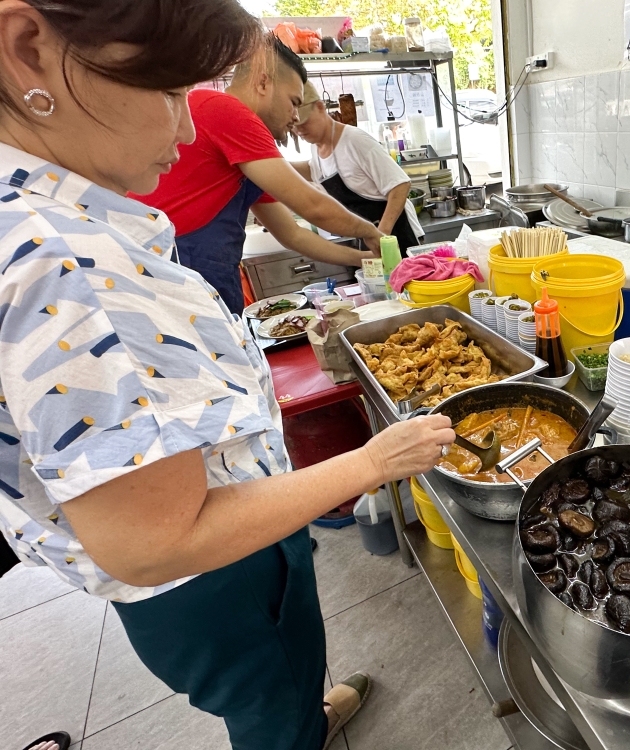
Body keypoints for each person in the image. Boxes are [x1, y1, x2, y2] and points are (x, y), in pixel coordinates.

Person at [0, 4, 455, 750]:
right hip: (215, 578)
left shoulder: (36, 217)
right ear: (29, 50)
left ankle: (304, 708)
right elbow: (155, 542)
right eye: (171, 93)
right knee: (267, 704)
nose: (187, 132)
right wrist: (372, 462)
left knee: (278, 680)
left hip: (199, 559)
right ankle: (293, 724)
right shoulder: (63, 260)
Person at [136, 34, 384, 313]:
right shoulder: (225, 109)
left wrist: (364, 259)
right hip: (178, 266)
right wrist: (371, 232)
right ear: (263, 83)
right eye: (293, 101)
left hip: (201, 269)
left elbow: (293, 235)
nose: (295, 116)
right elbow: (312, 205)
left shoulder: (246, 157)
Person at [292, 82, 424, 254]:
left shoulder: (354, 140)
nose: (299, 129)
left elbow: (400, 185)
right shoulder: (316, 147)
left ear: (320, 107)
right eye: (293, 125)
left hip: (396, 235)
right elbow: (314, 169)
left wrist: (382, 236)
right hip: (367, 238)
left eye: (304, 122)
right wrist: (275, 168)